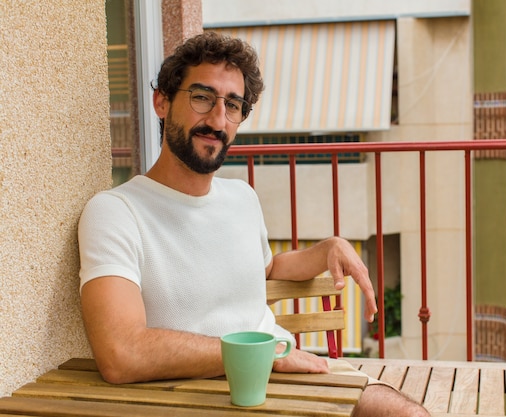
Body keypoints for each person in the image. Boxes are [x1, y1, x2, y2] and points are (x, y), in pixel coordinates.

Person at [78, 31, 430, 417]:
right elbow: (121, 353)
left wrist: (328, 248)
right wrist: (265, 354)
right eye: (201, 97)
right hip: (199, 397)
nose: (217, 119)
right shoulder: (116, 211)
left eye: (233, 105)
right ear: (161, 101)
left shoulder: (241, 198)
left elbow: (265, 269)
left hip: (284, 373)